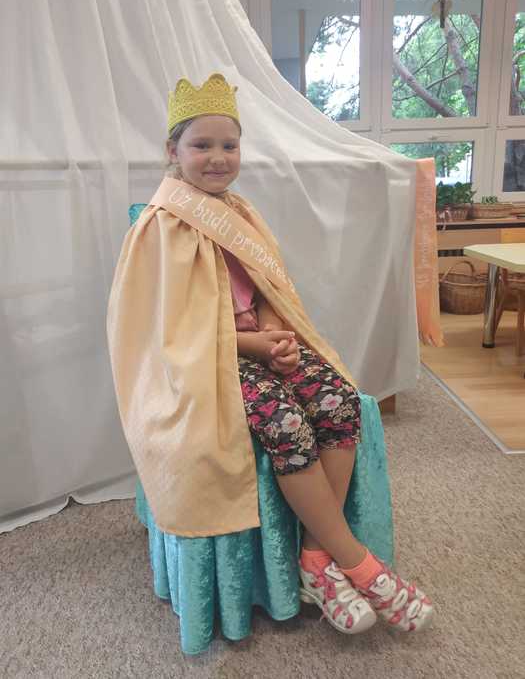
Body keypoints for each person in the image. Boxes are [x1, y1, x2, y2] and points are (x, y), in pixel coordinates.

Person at [107, 73, 433, 638]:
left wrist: (277, 335)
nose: (217, 157)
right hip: (203, 361)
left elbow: (267, 289)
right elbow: (167, 329)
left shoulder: (240, 211)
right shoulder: (160, 226)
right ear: (173, 151)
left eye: (228, 145)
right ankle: (358, 564)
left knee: (338, 399)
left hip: (257, 344)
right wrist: (251, 344)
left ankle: (315, 559)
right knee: (286, 424)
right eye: (201, 145)